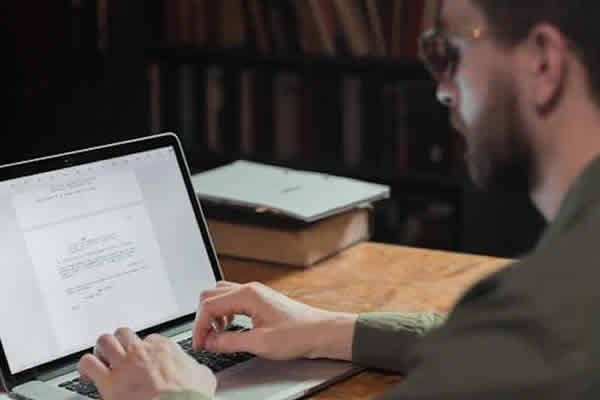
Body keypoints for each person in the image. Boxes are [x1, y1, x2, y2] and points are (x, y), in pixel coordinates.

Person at [78, 0, 600, 398]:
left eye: (450, 53)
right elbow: (495, 348)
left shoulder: (543, 318)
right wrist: (328, 330)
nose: (444, 91)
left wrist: (173, 394)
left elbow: (514, 342)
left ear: (543, 64)